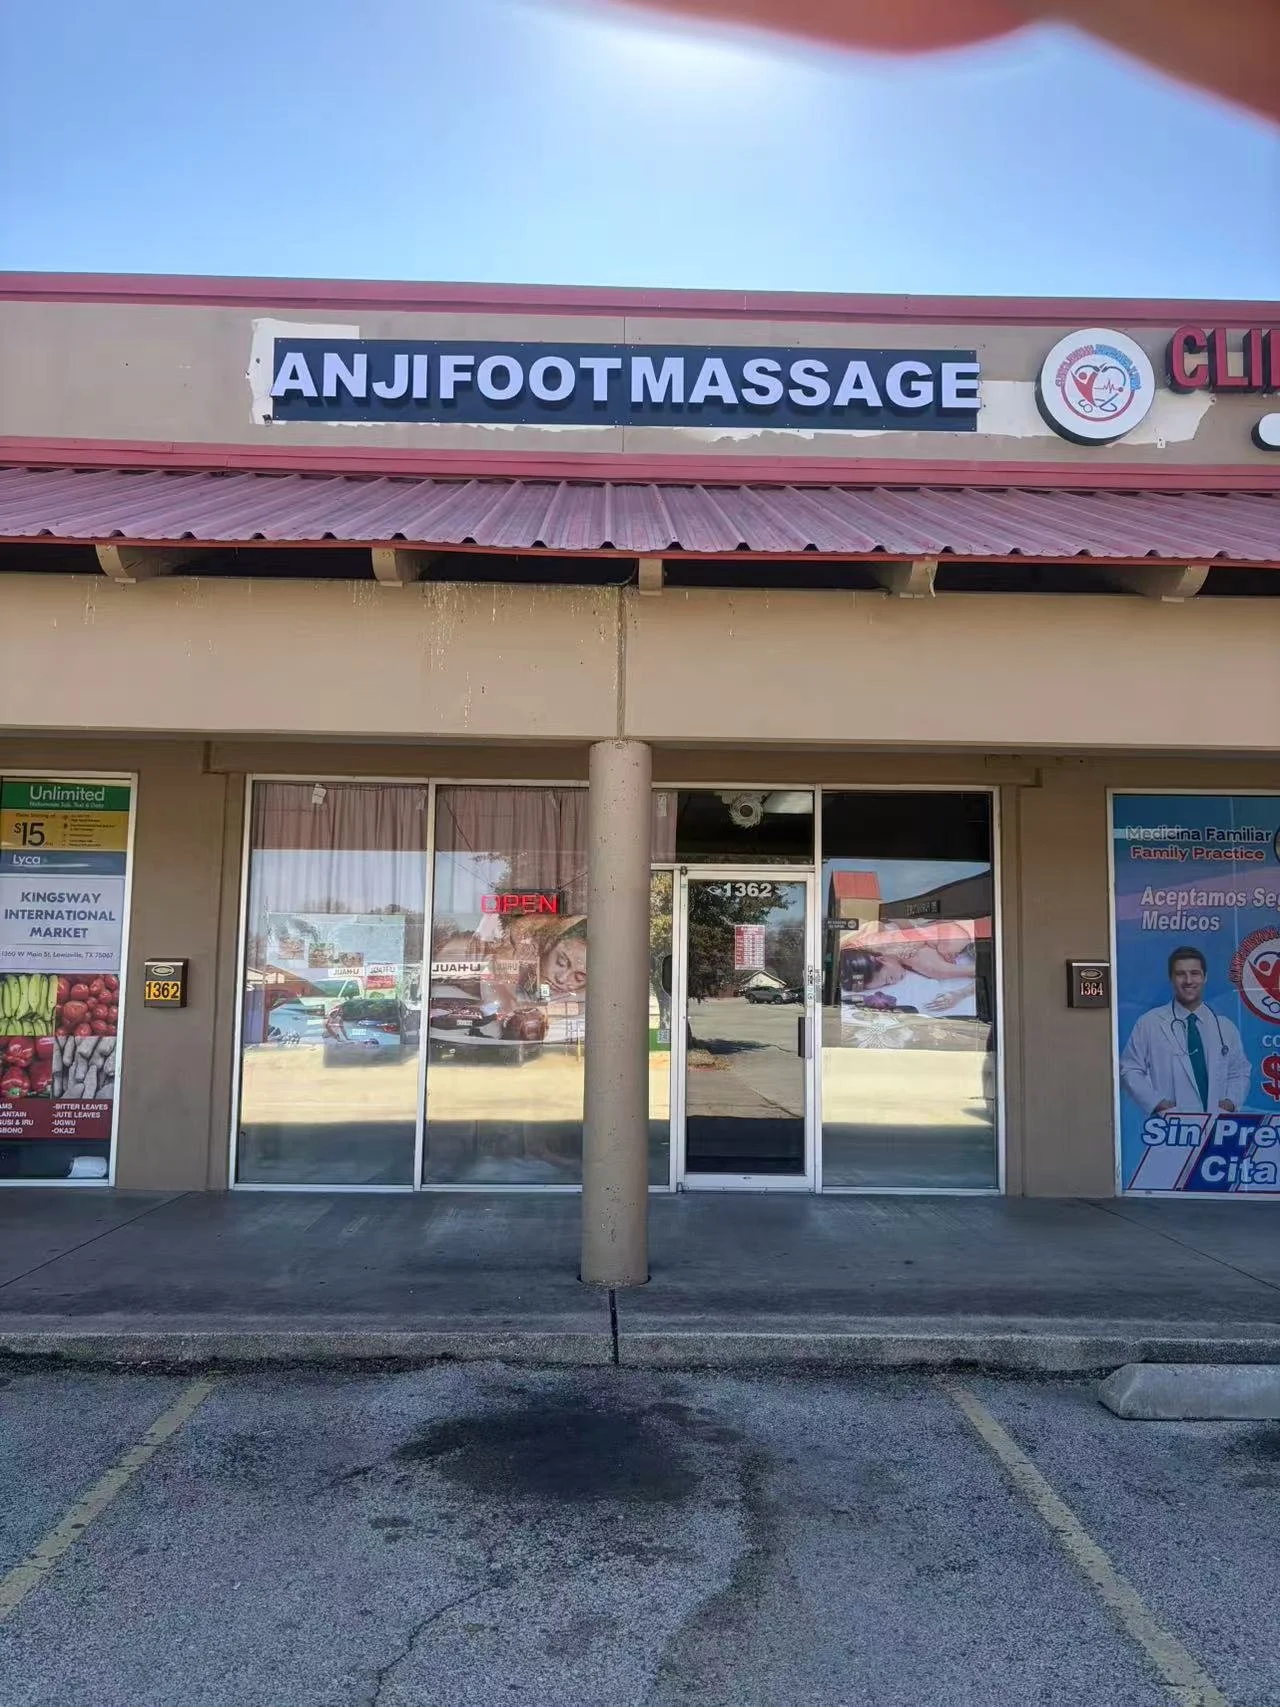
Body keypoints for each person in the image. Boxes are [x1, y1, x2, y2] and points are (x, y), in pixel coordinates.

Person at [1119, 945, 1250, 1117]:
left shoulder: (1225, 1028)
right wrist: (1157, 1103)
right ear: (1171, 979)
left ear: (1205, 977)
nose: (1188, 980)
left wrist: (1231, 1102)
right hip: (1170, 1129)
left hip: (1217, 1126)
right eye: (1180, 974)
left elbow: (1240, 1072)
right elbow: (1129, 1069)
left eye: (1195, 973)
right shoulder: (1149, 1023)